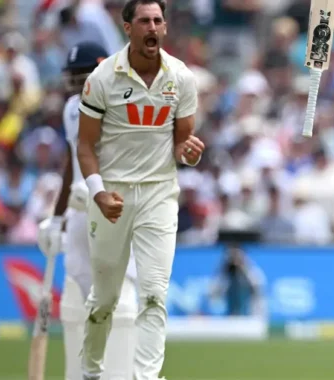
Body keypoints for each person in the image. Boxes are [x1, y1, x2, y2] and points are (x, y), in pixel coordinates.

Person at [75, 0, 205, 379]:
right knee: (104, 300)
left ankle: (145, 377)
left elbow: (182, 146)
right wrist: (99, 193)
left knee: (153, 294)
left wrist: (191, 153)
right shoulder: (102, 78)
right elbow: (85, 145)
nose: (152, 27)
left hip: (159, 195)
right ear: (128, 28)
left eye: (158, 21)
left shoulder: (180, 77)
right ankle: (91, 373)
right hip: (111, 196)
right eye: (144, 20)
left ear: (165, 28)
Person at [36, 41, 138, 380]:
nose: (79, 88)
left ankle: (118, 368)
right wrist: (58, 216)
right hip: (81, 208)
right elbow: (71, 161)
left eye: (84, 79)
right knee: (77, 286)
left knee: (118, 292)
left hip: (114, 209)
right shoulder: (71, 109)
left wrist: (98, 190)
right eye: (73, 81)